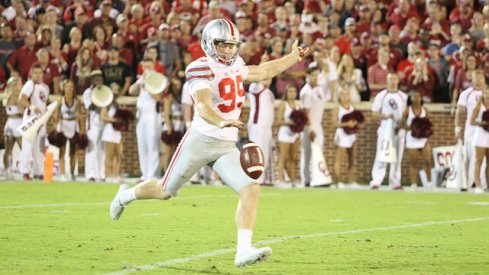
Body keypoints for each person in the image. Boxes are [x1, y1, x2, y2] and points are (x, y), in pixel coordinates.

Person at [109, 19, 310, 267]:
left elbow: (264, 71)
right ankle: (124, 196)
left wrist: (292, 58)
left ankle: (243, 251)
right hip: (200, 140)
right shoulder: (199, 68)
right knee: (164, 191)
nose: (227, 50)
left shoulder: (236, 64)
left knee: (251, 188)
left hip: (225, 145)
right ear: (209, 43)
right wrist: (221, 121)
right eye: (222, 45)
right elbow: (203, 106)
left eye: (230, 45)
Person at [369, 73, 408, 190]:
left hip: (398, 130)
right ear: (387, 80)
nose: (392, 81)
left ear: (398, 80)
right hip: (385, 129)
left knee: (397, 156)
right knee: (382, 154)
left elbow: (406, 113)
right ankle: (376, 180)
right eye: (390, 79)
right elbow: (374, 113)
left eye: (395, 79)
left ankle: (395, 182)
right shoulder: (381, 95)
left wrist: (401, 123)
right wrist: (385, 116)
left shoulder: (403, 96)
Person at [129, 59, 163, 182]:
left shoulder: (156, 78)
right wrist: (140, 83)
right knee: (142, 144)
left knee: (152, 144)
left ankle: (153, 174)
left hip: (152, 115)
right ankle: (144, 174)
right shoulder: (141, 79)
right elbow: (131, 91)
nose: (147, 67)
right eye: (145, 66)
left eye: (149, 65)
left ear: (153, 66)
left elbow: (159, 97)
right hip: (141, 115)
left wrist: (148, 84)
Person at [455, 70, 487, 191]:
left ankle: (483, 184)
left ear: (484, 78)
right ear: (471, 79)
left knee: (484, 158)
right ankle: (468, 183)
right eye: (476, 77)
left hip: (486, 130)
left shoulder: (487, 92)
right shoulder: (466, 94)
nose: (478, 79)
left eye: (481, 77)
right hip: (471, 130)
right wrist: (457, 128)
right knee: (469, 157)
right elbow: (459, 112)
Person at [19, 64, 50, 180]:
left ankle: (39, 171)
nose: (37, 75)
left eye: (39, 73)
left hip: (41, 119)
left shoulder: (45, 87)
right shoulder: (29, 84)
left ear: (42, 74)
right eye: (35, 73)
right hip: (31, 118)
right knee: (27, 145)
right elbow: (22, 99)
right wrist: (32, 107)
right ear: (31, 73)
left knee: (40, 146)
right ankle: (25, 171)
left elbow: (43, 103)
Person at [299, 65, 327, 186]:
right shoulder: (306, 91)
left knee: (318, 150)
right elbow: (306, 111)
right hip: (309, 125)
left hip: (318, 123)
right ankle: (306, 179)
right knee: (307, 152)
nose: (315, 78)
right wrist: (310, 127)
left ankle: (317, 177)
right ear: (308, 76)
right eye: (313, 75)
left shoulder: (318, 89)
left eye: (317, 75)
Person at [400, 91, 433, 189]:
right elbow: (402, 123)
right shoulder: (407, 110)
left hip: (423, 139)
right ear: (410, 99)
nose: (417, 98)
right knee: (413, 162)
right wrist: (411, 128)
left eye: (418, 96)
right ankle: (414, 184)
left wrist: (425, 130)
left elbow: (429, 123)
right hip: (412, 138)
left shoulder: (425, 110)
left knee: (427, 161)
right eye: (414, 96)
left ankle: (430, 183)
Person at [52, 80, 83, 181]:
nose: (69, 89)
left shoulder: (77, 101)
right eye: (67, 87)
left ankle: (72, 173)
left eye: (71, 87)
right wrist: (54, 127)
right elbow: (56, 115)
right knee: (62, 151)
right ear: (64, 88)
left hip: (73, 126)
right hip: (63, 125)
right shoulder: (60, 100)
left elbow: (80, 116)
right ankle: (62, 174)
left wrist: (82, 129)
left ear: (73, 89)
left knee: (73, 152)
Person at [247, 80, 275, 185]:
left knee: (265, 152)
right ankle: (255, 178)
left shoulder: (268, 91)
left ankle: (262, 178)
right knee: (257, 152)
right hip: (258, 125)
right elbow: (257, 77)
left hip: (267, 126)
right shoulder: (255, 86)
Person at [332, 86, 358, 188]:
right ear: (339, 96)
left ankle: (351, 181)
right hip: (341, 135)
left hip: (351, 135)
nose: (345, 96)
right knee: (339, 160)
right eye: (343, 94)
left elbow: (356, 121)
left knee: (352, 159)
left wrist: (354, 124)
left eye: (347, 94)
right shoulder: (337, 108)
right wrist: (346, 124)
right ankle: (338, 182)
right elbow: (334, 123)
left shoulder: (352, 107)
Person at [83, 70, 106, 182]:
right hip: (92, 123)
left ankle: (101, 173)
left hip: (103, 123)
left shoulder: (105, 91)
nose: (98, 80)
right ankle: (91, 174)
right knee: (92, 148)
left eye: (100, 78)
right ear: (92, 80)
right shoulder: (88, 92)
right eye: (96, 78)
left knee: (102, 149)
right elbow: (90, 106)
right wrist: (100, 100)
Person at [276, 85, 300, 186]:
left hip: (295, 134)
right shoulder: (283, 104)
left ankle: (293, 180)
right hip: (284, 134)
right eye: (290, 91)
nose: (292, 94)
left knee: (293, 158)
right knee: (283, 157)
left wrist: (299, 131)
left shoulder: (298, 105)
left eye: (294, 92)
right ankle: (280, 180)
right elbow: (278, 121)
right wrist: (289, 122)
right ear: (286, 93)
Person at [161, 78, 184, 173]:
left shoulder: (181, 96)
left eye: (179, 84)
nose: (177, 87)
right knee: (167, 151)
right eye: (175, 85)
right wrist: (169, 127)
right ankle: (164, 172)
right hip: (171, 125)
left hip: (180, 125)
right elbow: (166, 113)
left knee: (175, 151)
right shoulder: (169, 97)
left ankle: (172, 172)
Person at [101, 83, 123, 183]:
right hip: (109, 131)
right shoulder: (106, 103)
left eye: (117, 90)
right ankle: (107, 175)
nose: (116, 91)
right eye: (114, 89)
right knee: (109, 155)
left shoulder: (117, 103)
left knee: (119, 154)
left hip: (117, 131)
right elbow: (102, 116)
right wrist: (114, 120)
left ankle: (116, 175)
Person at [2, 76, 23, 179]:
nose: (21, 86)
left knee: (8, 150)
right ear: (14, 86)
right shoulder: (15, 96)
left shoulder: (7, 95)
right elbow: (22, 111)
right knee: (24, 148)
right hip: (17, 124)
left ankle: (7, 170)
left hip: (10, 124)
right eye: (19, 84)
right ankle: (25, 170)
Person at [470, 88, 489, 193]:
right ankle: (477, 185)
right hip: (481, 135)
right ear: (483, 94)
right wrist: (482, 123)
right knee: (479, 161)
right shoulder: (479, 106)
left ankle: (488, 185)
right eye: (486, 94)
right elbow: (471, 121)